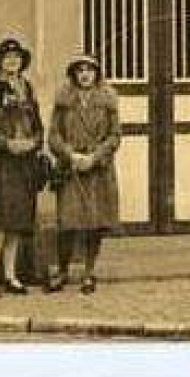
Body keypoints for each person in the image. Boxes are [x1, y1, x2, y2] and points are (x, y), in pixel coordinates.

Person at [0, 37, 44, 297]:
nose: (12, 61)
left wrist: (34, 143)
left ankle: (11, 275)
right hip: (1, 163)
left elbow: (37, 123)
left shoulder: (27, 88)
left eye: (17, 57)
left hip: (24, 163)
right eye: (7, 57)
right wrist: (6, 144)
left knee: (17, 222)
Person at [46, 54, 120, 294]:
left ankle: (89, 272)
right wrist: (71, 156)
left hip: (98, 170)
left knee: (94, 224)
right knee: (68, 223)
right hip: (71, 170)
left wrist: (94, 157)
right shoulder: (64, 101)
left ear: (97, 73)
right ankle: (63, 271)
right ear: (73, 74)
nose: (85, 74)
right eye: (80, 70)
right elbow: (54, 136)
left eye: (89, 70)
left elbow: (115, 136)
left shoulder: (107, 101)